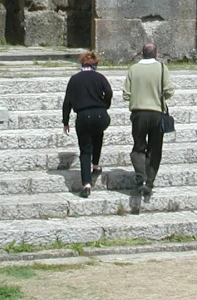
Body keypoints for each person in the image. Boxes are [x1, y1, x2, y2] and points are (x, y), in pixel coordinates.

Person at [122, 43, 175, 196]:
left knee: (138, 147)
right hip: (156, 113)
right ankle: (150, 182)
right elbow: (168, 91)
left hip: (138, 113)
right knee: (155, 149)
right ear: (156, 54)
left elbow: (126, 94)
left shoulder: (133, 69)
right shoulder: (162, 68)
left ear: (141, 53)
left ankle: (141, 178)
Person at [62, 51, 113, 198]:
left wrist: (65, 121)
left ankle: (86, 184)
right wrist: (105, 105)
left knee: (85, 151)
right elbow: (109, 92)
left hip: (83, 115)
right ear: (95, 64)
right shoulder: (100, 77)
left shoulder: (74, 79)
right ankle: (96, 165)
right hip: (100, 114)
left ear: (81, 64)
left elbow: (67, 102)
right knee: (98, 135)